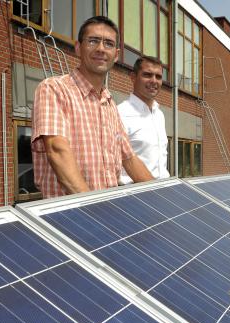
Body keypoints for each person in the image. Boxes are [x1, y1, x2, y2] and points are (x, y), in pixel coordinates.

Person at [31, 16, 153, 198]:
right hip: (69, 216)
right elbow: (57, 150)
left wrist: (161, 196)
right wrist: (93, 208)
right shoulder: (54, 89)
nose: (101, 49)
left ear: (116, 55)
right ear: (78, 48)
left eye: (109, 44)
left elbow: (130, 159)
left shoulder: (109, 102)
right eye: (93, 41)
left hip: (107, 211)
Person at [118, 56, 170, 184]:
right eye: (147, 75)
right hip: (133, 196)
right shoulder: (119, 113)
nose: (154, 81)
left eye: (158, 77)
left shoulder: (159, 115)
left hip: (163, 190)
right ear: (133, 77)